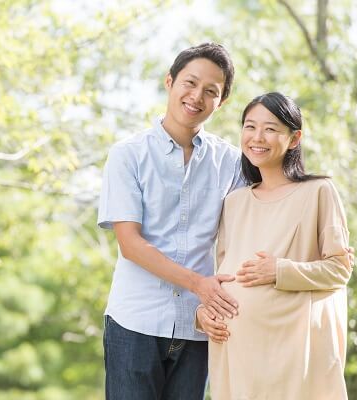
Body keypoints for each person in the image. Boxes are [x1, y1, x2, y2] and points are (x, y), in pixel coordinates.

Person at [97, 42, 243, 400]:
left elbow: (249, 231)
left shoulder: (232, 163)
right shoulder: (128, 155)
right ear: (170, 81)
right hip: (135, 322)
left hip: (199, 327)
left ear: (221, 102)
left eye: (211, 91)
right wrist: (199, 285)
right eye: (190, 83)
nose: (197, 97)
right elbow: (130, 245)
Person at [197, 92, 351, 399]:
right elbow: (224, 276)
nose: (257, 137)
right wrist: (203, 313)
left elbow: (339, 269)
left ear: (294, 139)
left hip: (292, 355)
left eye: (270, 129)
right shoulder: (234, 202)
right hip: (237, 352)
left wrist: (279, 270)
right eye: (250, 126)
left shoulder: (318, 191)